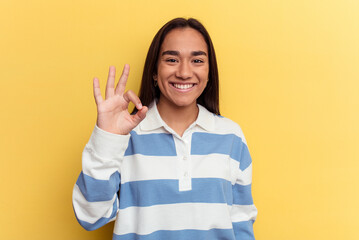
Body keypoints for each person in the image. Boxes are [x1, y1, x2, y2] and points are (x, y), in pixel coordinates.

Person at [72, 17, 257, 240]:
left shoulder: (231, 136)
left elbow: (242, 225)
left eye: (197, 61)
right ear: (154, 71)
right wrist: (107, 138)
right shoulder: (124, 135)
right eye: (172, 59)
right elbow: (90, 216)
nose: (184, 72)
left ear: (209, 73)